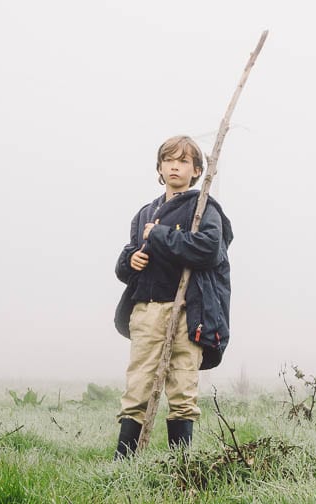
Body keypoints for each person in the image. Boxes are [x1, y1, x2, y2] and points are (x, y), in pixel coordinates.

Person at [112, 135, 233, 459]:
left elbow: (208, 250)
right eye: (169, 160)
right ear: (160, 167)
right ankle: (124, 464)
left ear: (196, 170)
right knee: (138, 387)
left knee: (182, 391)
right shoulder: (144, 213)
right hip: (148, 310)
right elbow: (128, 260)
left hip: (188, 311)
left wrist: (161, 235)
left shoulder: (203, 207)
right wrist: (130, 261)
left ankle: (181, 465)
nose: (175, 166)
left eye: (183, 161)